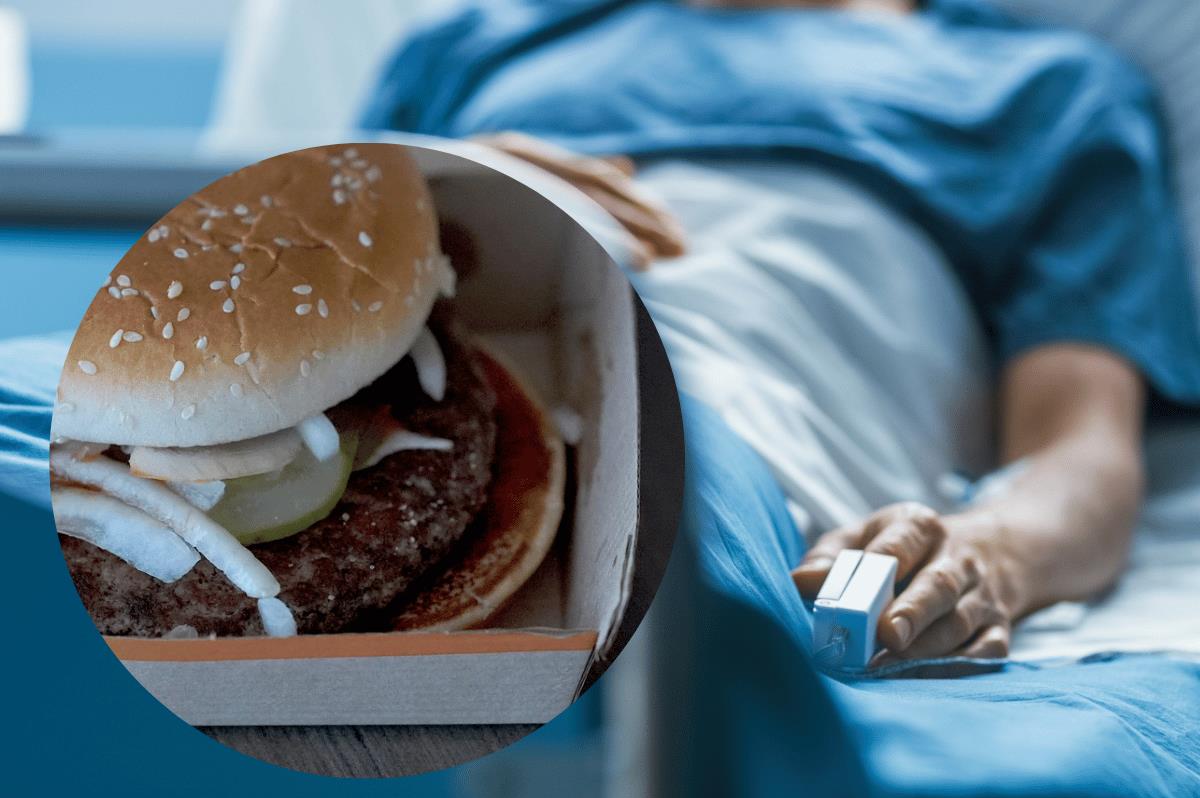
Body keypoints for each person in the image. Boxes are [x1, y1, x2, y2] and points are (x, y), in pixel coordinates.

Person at [361, 0, 1200, 664]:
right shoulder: (467, 48)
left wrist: (993, 552)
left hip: (747, 403)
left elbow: (1078, 450)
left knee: (671, 499)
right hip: (460, 365)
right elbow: (300, 274)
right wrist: (453, 177)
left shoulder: (1049, 88)